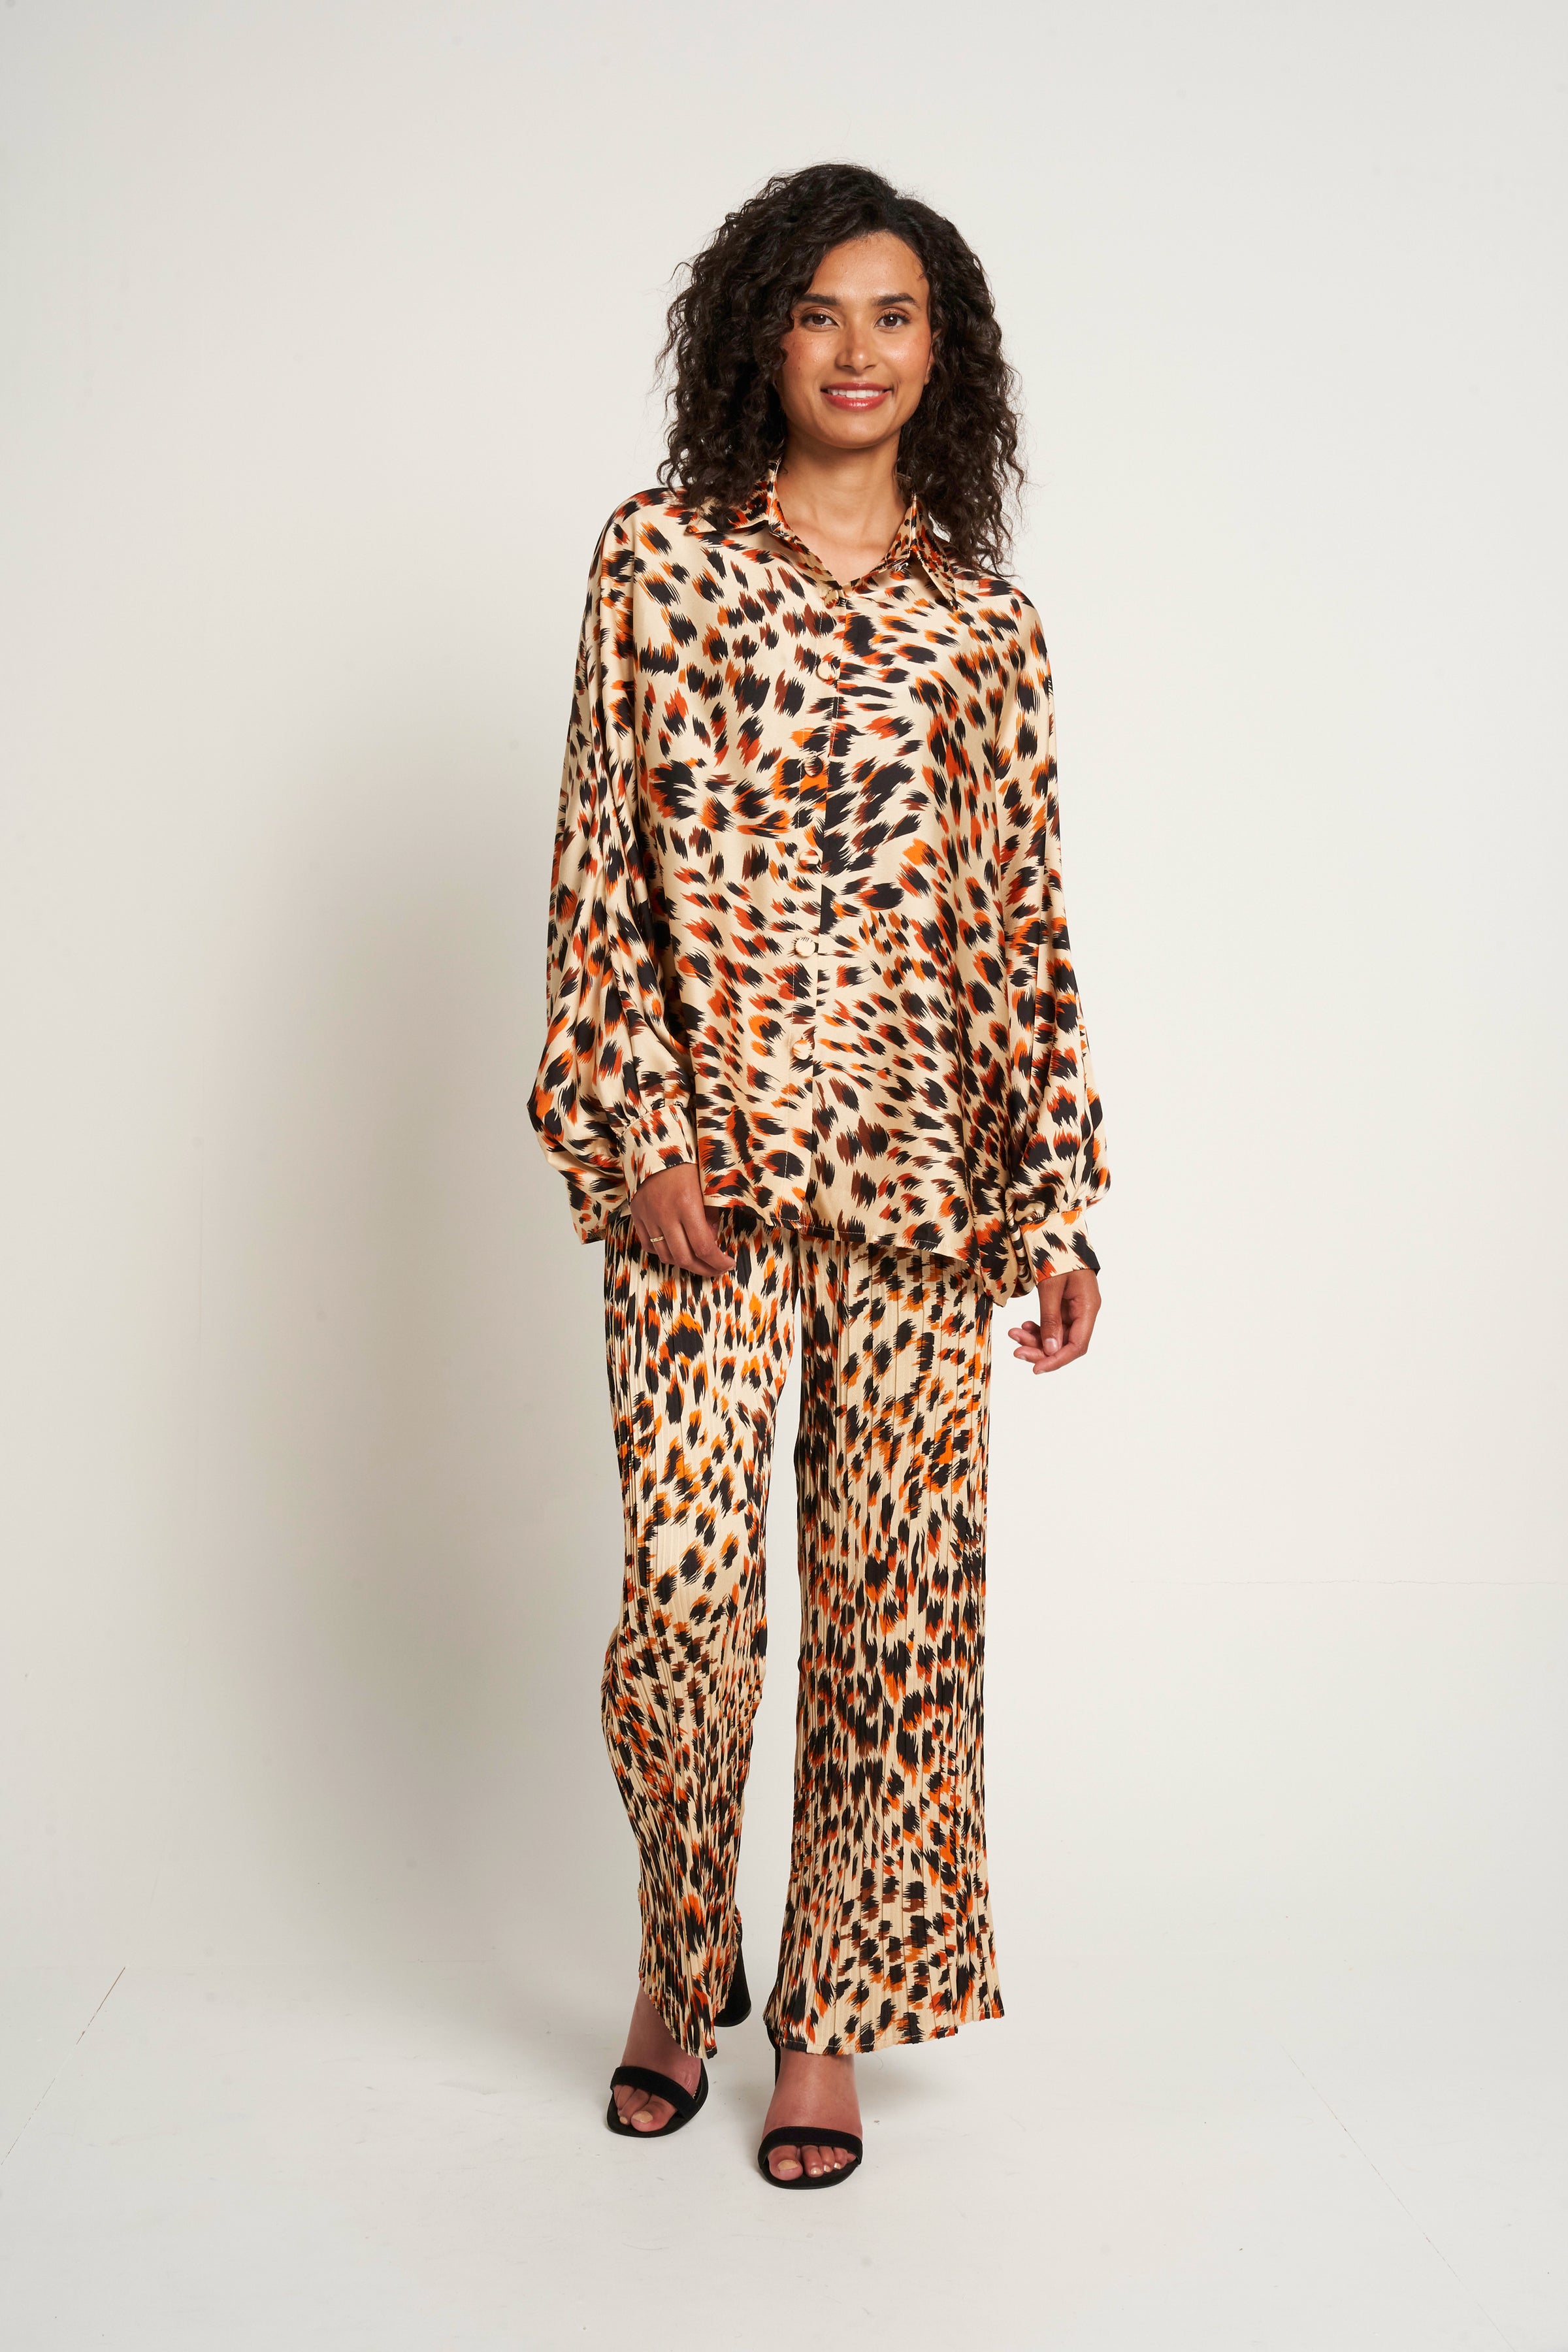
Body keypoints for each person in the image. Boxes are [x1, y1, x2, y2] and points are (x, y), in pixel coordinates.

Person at [527, 161, 1109, 2189]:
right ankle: (679, 1966)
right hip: (702, 1191)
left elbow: (1021, 929)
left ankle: (832, 2022)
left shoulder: (984, 627)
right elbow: (599, 867)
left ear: (946, 353)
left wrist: (1054, 1201)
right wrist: (643, 1131)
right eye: (819, 312)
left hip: (927, 1194)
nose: (858, 351)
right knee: (688, 1606)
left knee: (893, 1620)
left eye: (897, 315)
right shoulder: (660, 562)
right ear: (759, 334)